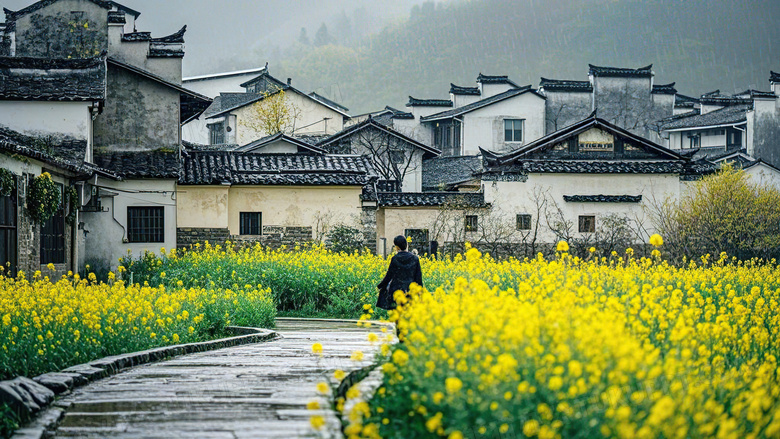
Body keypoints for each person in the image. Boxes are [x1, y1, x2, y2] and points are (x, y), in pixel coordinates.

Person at [376, 235, 423, 311]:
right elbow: (418, 278)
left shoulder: (395, 259)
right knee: (408, 316)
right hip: (410, 291)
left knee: (396, 315)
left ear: (397, 247)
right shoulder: (415, 259)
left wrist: (380, 286)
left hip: (396, 291)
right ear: (406, 244)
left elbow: (389, 276)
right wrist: (420, 293)